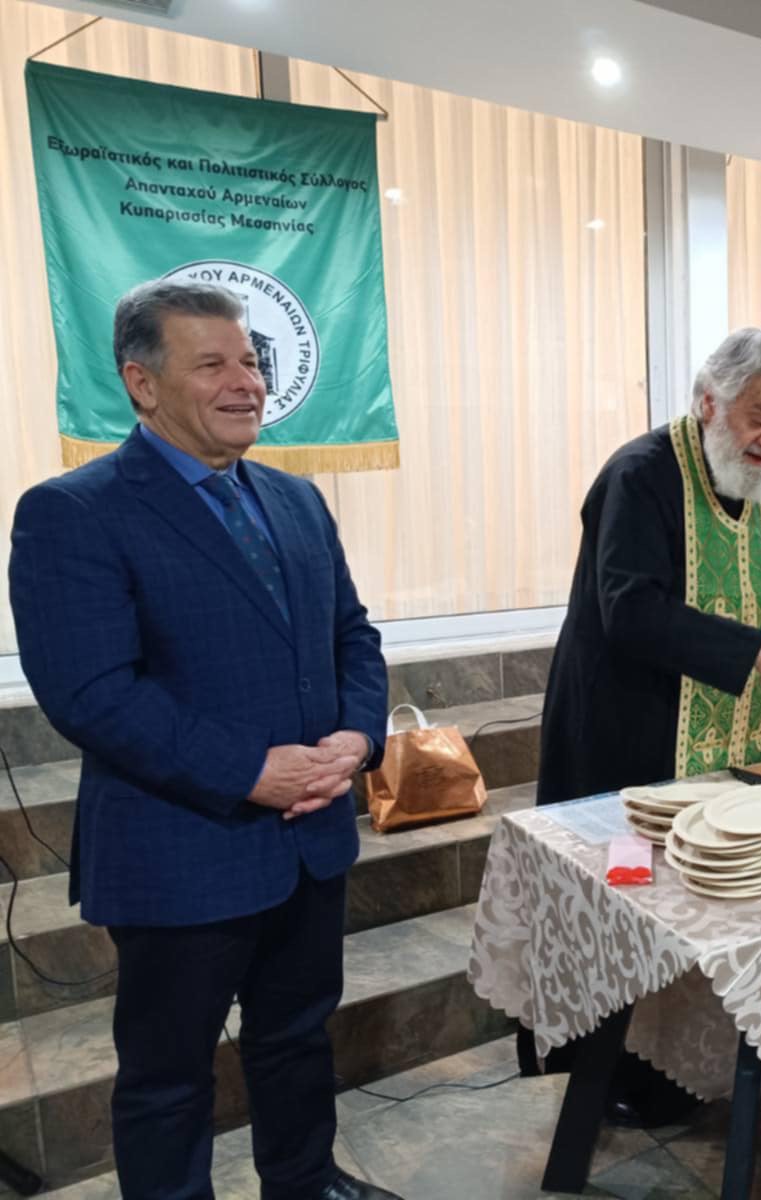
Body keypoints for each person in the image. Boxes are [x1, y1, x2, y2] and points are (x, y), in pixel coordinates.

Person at [8, 281, 395, 1200]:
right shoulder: (73, 511)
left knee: (296, 1036)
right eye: (212, 364)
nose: (245, 383)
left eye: (251, 362)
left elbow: (352, 635)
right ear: (141, 383)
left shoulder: (297, 501)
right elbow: (90, 692)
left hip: (309, 839)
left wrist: (357, 736)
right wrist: (248, 771)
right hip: (180, 845)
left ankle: (305, 1182)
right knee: (167, 1074)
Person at [538, 327, 761, 805]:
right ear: (711, 402)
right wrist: (756, 649)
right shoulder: (638, 475)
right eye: (760, 419)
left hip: (732, 740)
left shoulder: (752, 479)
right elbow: (631, 612)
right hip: (634, 730)